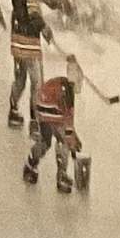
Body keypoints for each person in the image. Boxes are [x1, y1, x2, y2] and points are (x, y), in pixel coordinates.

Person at [22, 56, 90, 194]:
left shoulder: (63, 84)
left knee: (46, 141)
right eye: (80, 82)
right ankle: (61, 176)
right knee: (63, 141)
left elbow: (67, 123)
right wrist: (73, 142)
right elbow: (68, 123)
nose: (81, 86)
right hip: (50, 108)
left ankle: (30, 165)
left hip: (41, 106)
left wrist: (72, 138)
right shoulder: (68, 93)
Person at [3, 0, 43, 130]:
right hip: (30, 40)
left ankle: (13, 109)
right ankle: (34, 120)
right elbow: (33, 11)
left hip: (18, 36)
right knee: (37, 80)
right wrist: (44, 27)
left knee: (21, 77)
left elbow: (22, 11)